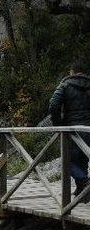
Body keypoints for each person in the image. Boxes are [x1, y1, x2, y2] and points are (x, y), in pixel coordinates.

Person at [49, 60, 90, 199]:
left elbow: (53, 106)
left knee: (68, 162)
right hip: (89, 129)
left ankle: (85, 182)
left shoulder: (65, 85)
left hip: (72, 129)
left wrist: (59, 125)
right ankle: (82, 193)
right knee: (83, 160)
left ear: (72, 72)